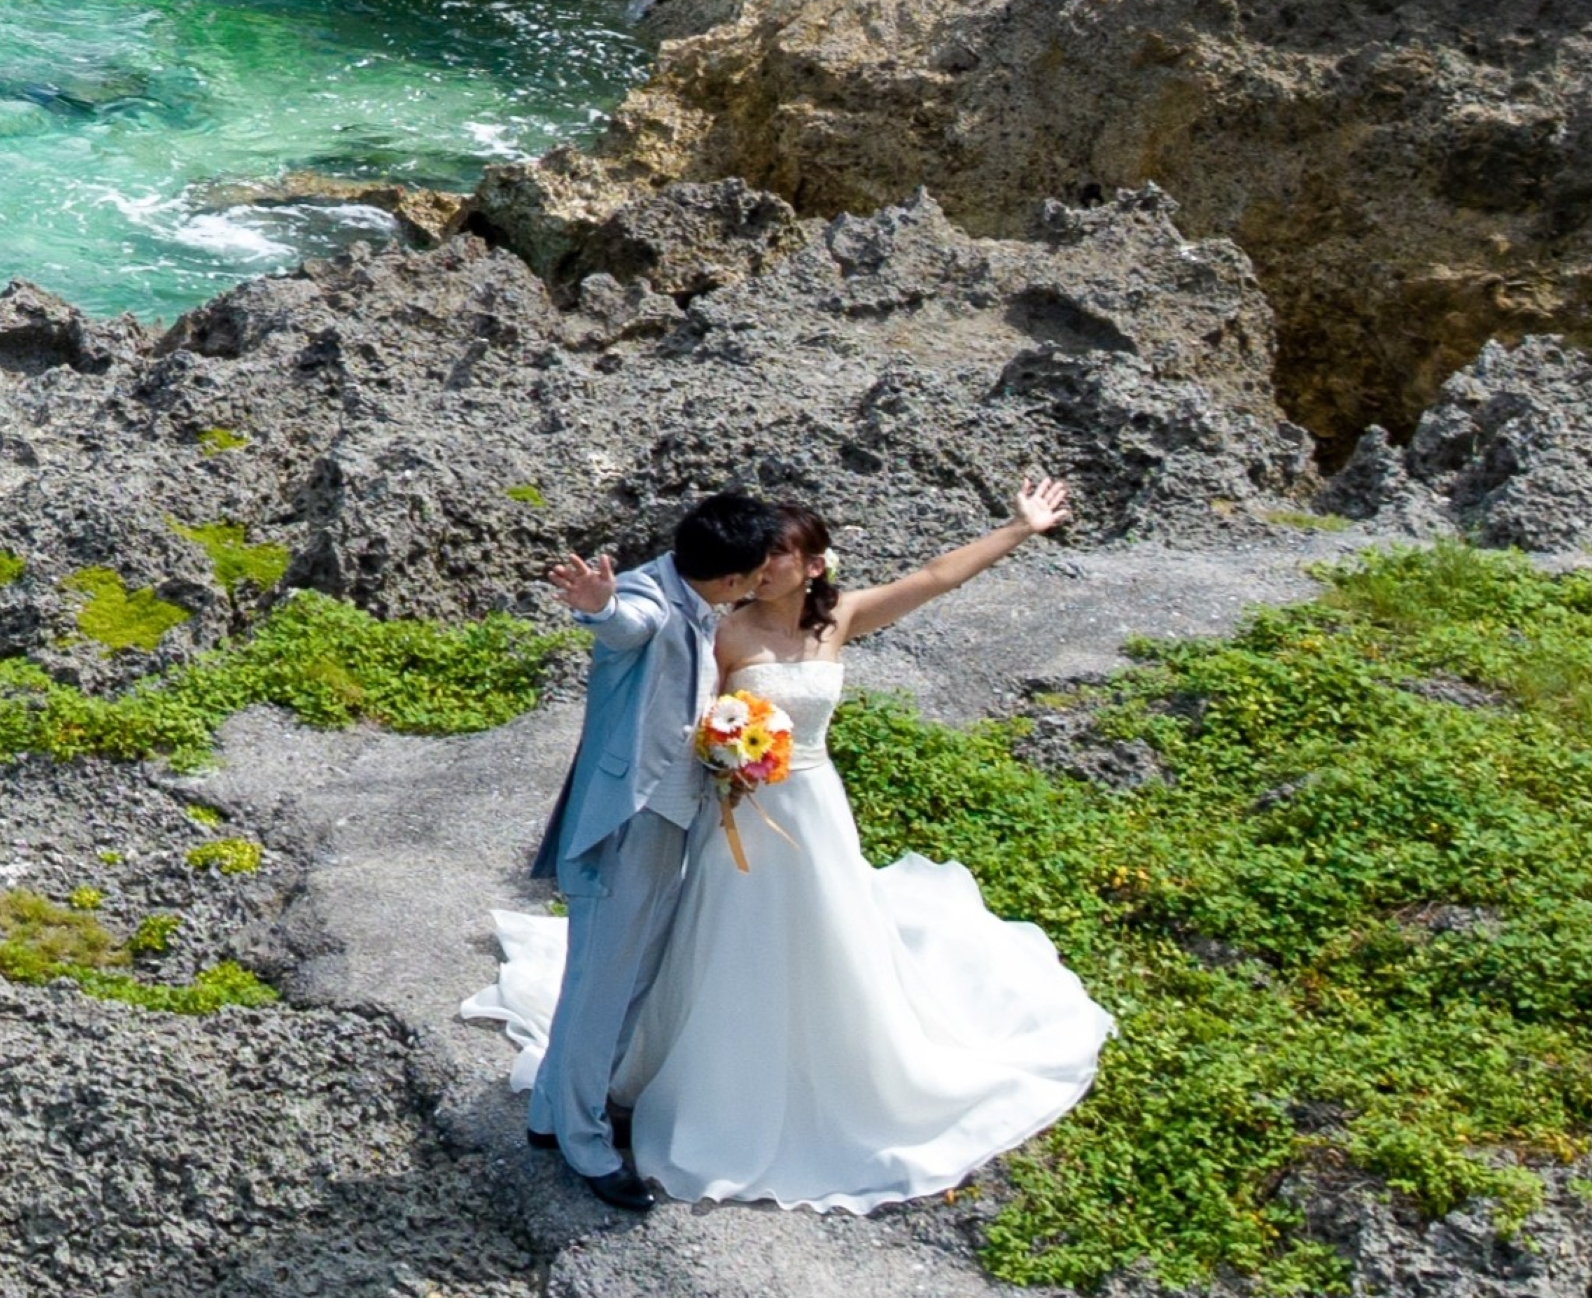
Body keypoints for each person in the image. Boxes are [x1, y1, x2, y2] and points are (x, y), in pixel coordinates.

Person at [472, 482, 1113, 1216]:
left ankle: (597, 1105)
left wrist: (1019, 528)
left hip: (813, 810)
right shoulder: (717, 623)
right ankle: (613, 1114)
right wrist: (607, 616)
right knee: (677, 961)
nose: (767, 568)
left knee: (807, 949)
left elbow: (935, 577)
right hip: (729, 816)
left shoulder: (838, 617)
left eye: (781, 554)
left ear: (814, 564)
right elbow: (638, 635)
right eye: (760, 556)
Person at [515, 491, 788, 1211]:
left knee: (618, 982)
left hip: (667, 824)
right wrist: (598, 606)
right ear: (731, 579)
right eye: (756, 573)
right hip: (626, 824)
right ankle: (585, 1142)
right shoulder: (648, 597)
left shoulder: (694, 594)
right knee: (605, 990)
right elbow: (625, 623)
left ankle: (551, 1111)